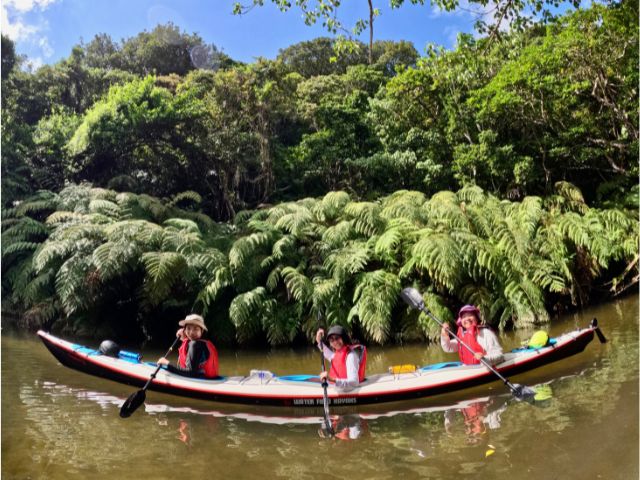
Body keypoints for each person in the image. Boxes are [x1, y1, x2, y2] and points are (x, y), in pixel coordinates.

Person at [157, 314, 219, 378]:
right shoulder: (199, 343)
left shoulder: (194, 344)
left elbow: (190, 372)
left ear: (202, 331)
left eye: (196, 329)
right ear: (184, 330)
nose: (191, 332)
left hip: (200, 380)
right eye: (188, 328)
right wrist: (184, 336)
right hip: (209, 378)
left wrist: (167, 363)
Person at [315, 325, 367, 391]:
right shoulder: (336, 355)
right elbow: (326, 352)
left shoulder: (351, 356)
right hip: (337, 386)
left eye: (337, 338)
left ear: (343, 338)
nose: (335, 342)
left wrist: (331, 379)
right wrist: (318, 340)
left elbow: (354, 383)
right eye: (331, 340)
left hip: (348, 390)